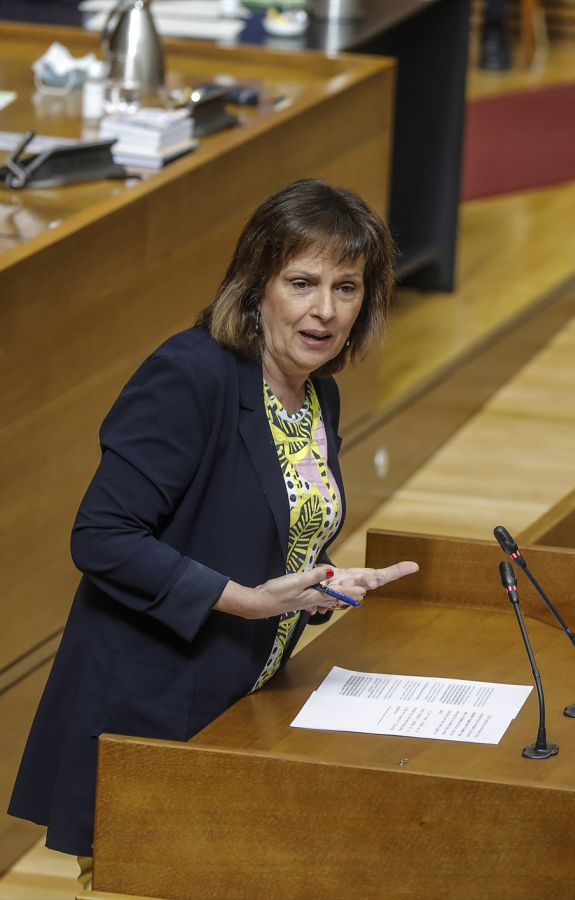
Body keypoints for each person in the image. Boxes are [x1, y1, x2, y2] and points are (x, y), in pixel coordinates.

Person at [7, 179, 419, 889]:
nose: (325, 309)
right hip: (151, 709)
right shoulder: (190, 373)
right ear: (256, 283)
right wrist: (249, 601)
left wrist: (321, 579)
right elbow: (102, 535)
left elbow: (270, 523)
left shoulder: (319, 391)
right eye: (302, 282)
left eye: (346, 288)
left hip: (240, 703)